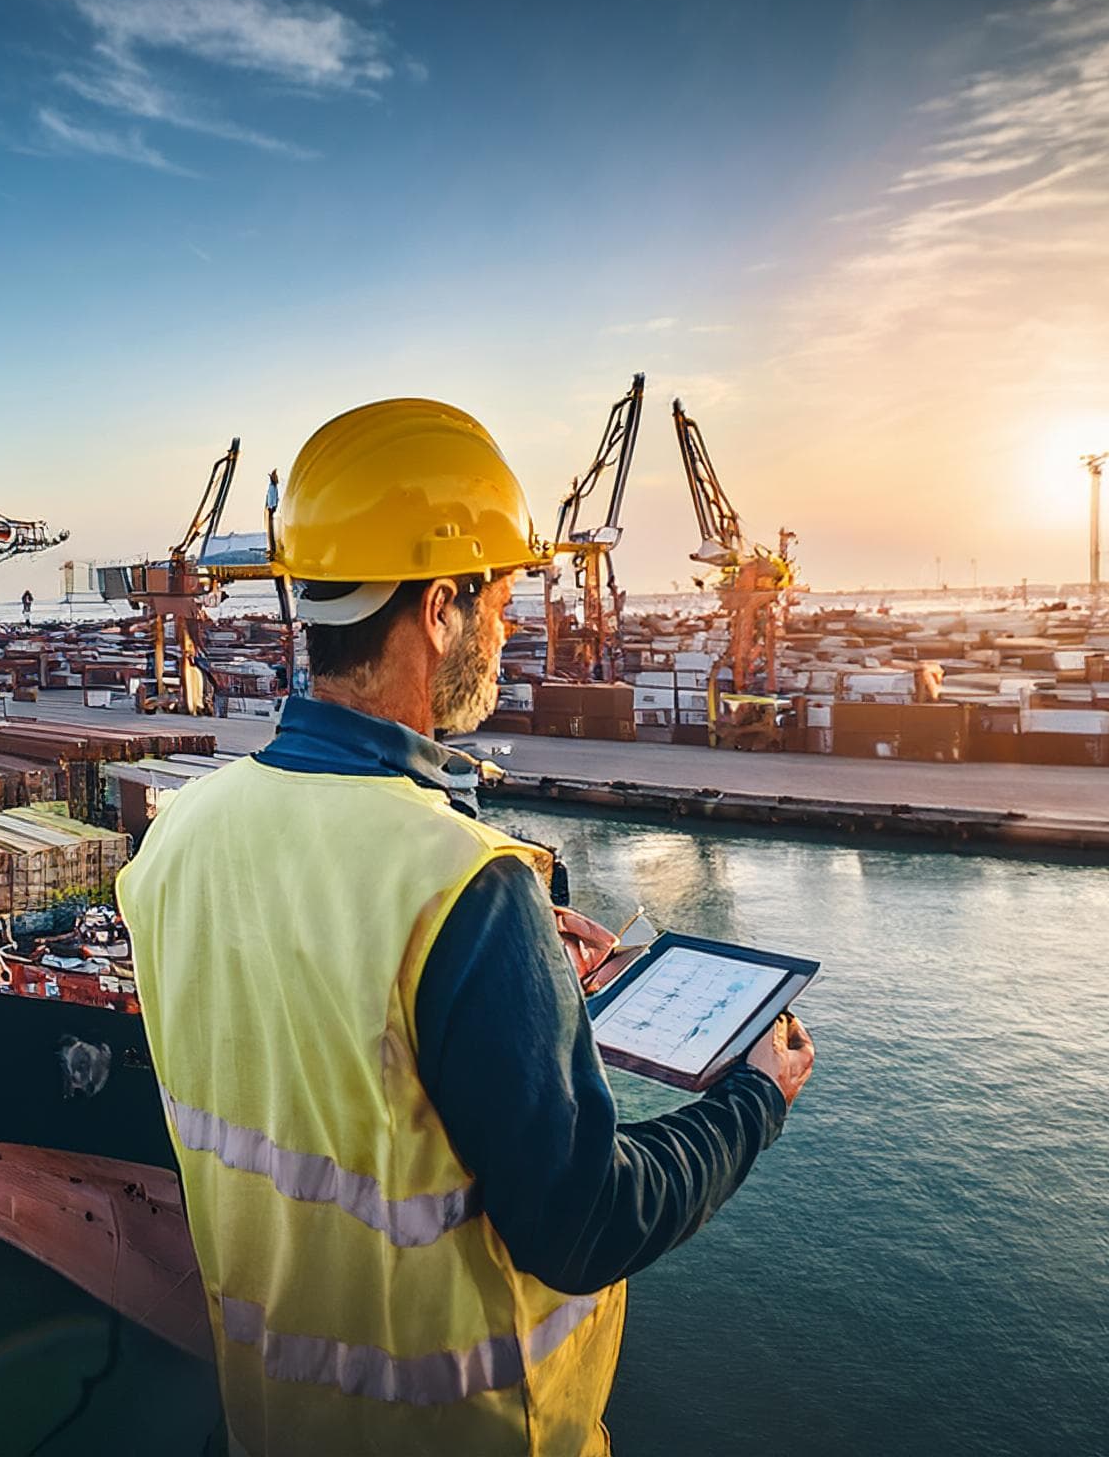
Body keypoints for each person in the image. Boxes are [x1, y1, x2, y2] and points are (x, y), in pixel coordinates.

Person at [118, 399, 814, 1456]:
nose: (513, 625)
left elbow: (330, 1059)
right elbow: (584, 1227)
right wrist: (756, 1098)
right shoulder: (465, 888)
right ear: (439, 608)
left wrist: (515, 994)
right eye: (499, 597)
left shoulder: (176, 839)